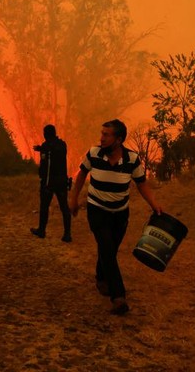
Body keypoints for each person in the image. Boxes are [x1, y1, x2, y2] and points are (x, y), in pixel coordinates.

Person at [68, 119, 162, 316]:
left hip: (120, 214)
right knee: (107, 248)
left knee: (109, 249)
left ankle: (101, 277)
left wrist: (154, 205)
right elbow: (81, 174)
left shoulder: (132, 160)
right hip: (97, 211)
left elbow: (142, 184)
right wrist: (73, 198)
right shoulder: (93, 154)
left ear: (118, 140)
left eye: (106, 135)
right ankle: (118, 297)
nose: (101, 138)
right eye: (101, 133)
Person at [30, 124, 72, 242]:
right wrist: (41, 148)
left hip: (49, 182)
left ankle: (42, 230)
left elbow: (45, 164)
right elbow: (54, 151)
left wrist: (42, 178)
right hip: (62, 181)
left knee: (44, 206)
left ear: (45, 134)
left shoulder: (46, 146)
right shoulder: (63, 145)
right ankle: (67, 234)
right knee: (64, 207)